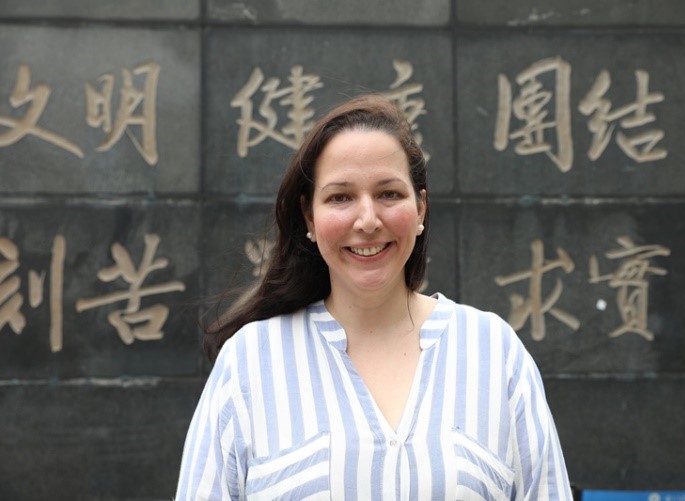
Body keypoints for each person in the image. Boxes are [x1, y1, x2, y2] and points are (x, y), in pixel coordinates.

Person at [176, 94, 572, 500]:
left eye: (389, 194)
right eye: (340, 197)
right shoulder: (251, 362)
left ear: (420, 208)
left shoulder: (492, 351)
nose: (367, 220)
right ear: (310, 216)